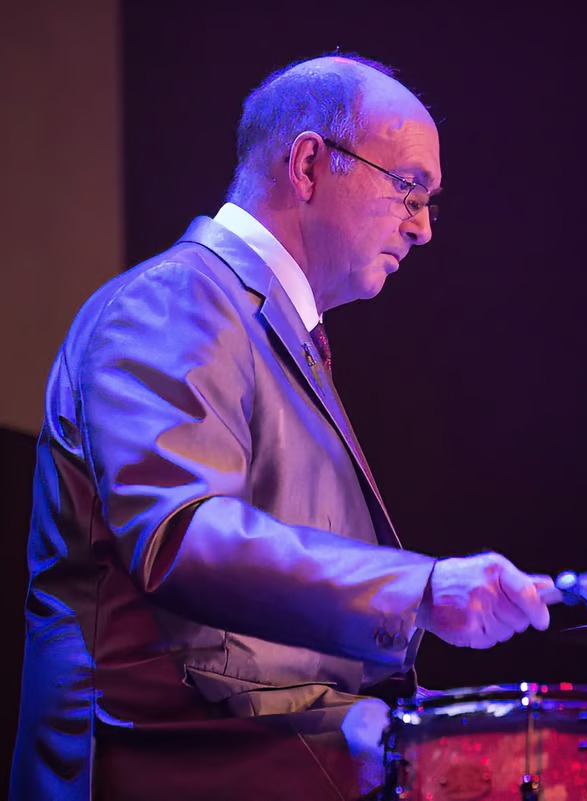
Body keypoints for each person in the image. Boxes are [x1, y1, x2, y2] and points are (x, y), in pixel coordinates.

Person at [10, 52, 555, 801]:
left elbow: (259, 646)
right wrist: (420, 589)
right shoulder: (173, 299)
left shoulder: (272, 330)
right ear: (307, 165)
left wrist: (390, 720)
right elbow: (181, 537)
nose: (424, 228)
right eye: (408, 187)